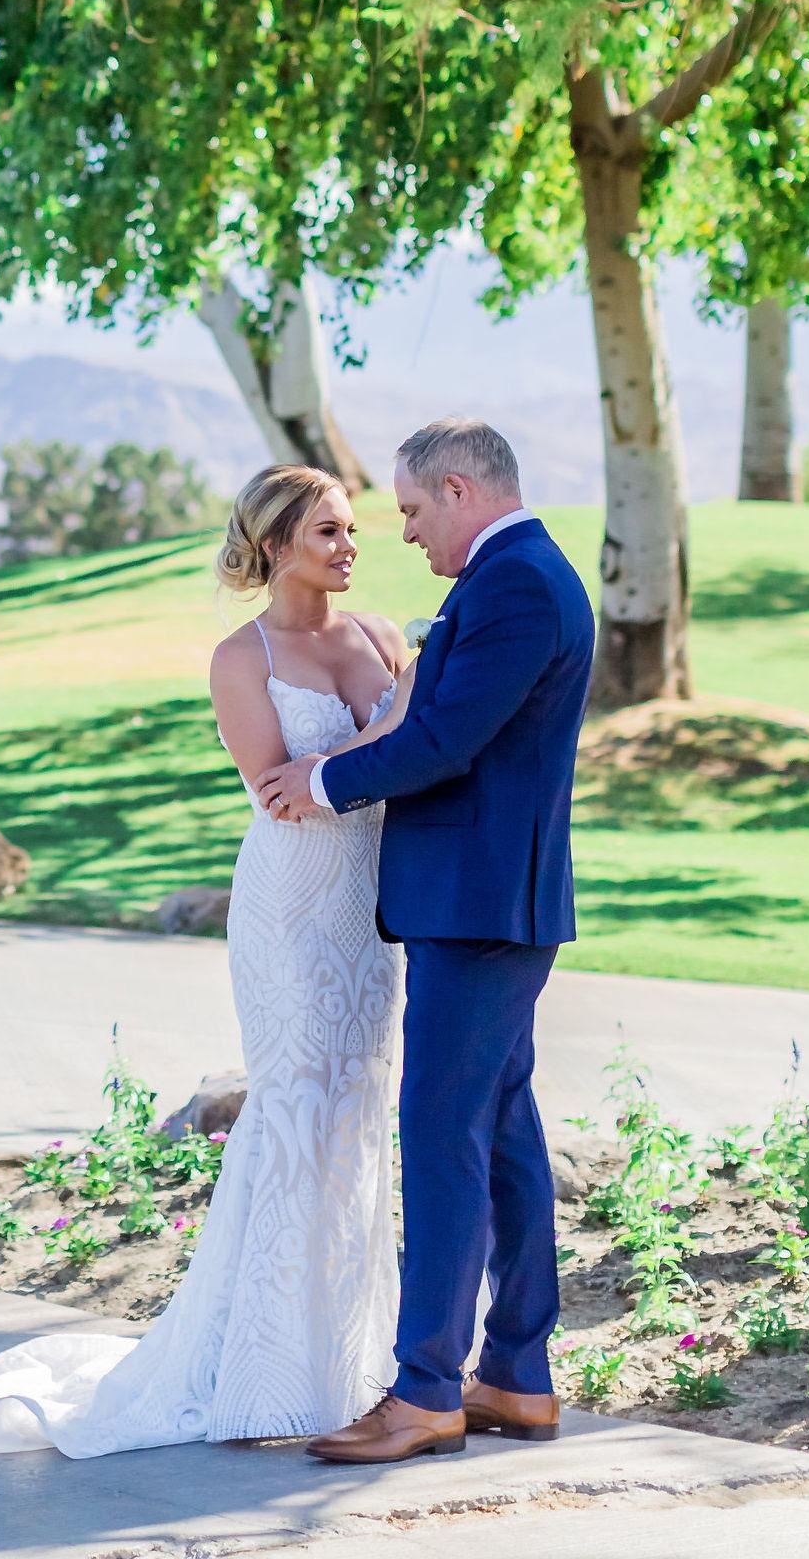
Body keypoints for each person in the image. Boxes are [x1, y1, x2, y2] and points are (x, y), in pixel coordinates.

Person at [0, 461, 414, 1456]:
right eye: (327, 532)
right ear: (274, 544)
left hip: (370, 913)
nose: (349, 547)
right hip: (290, 911)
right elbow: (279, 792)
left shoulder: (382, 637)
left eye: (352, 530)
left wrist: (375, 735)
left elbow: (390, 765)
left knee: (356, 1121)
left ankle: (351, 1364)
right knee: (294, 1113)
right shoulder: (240, 658)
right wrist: (390, 724)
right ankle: (263, 1376)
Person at [254, 417, 594, 1465]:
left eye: (407, 509)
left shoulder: (516, 584)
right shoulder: (509, 578)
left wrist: (319, 781)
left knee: (441, 1137)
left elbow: (445, 742)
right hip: (481, 902)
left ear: (457, 489)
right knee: (499, 1136)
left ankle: (424, 1393)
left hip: (478, 906)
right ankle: (517, 1377)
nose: (401, 532)